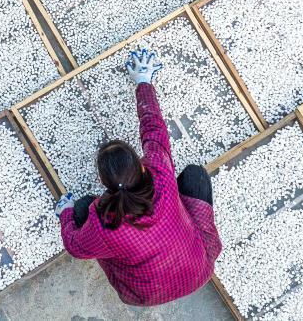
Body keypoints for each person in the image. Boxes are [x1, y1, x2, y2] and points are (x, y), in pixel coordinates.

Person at [55, 49, 222, 307]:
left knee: (80, 208)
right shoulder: (160, 172)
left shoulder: (102, 223)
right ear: (141, 167)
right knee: (195, 176)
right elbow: (153, 128)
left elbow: (75, 246)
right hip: (200, 268)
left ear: (104, 184)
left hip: (146, 294)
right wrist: (143, 80)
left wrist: (66, 213)